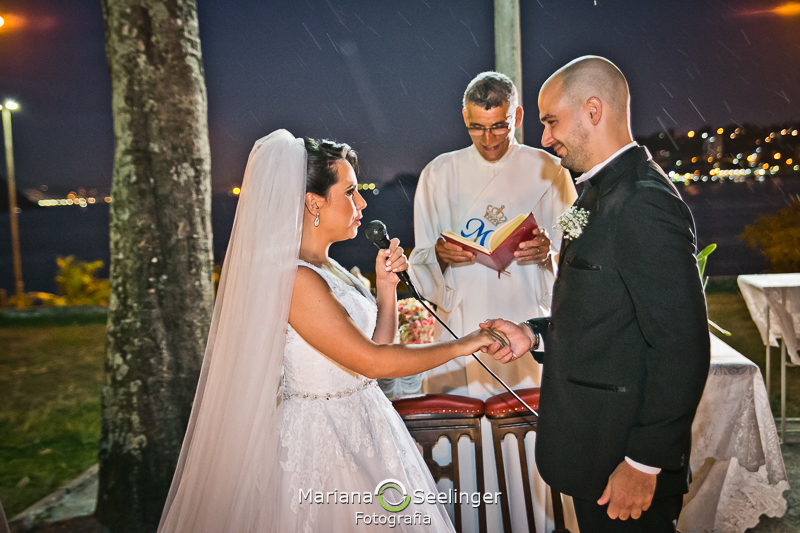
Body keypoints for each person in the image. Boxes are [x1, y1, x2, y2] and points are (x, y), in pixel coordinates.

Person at [158, 130, 494, 533]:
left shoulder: (329, 268)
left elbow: (372, 349)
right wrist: (462, 346)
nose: (363, 203)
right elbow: (372, 362)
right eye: (350, 192)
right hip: (324, 439)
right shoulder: (298, 280)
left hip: (367, 419)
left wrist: (385, 288)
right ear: (313, 202)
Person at [482, 56, 711, 532]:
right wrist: (533, 333)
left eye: (550, 121)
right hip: (593, 455)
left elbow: (682, 347)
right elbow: (592, 299)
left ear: (592, 110)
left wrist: (645, 463)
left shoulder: (644, 203)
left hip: (622, 464)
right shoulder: (588, 196)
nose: (544, 138)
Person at [407, 71, 576, 532]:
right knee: (464, 438)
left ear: (516, 116)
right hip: (463, 323)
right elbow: (420, 258)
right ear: (464, 119)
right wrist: (437, 256)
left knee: (531, 436)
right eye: (477, 128)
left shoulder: (551, 170)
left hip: (529, 323)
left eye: (499, 126)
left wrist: (551, 252)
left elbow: (582, 242)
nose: (489, 139)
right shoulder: (438, 173)